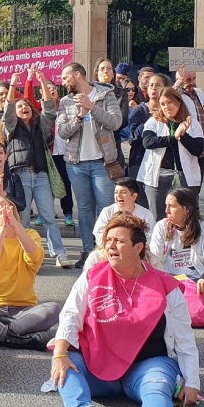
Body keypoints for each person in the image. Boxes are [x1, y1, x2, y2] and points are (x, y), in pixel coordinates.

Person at [49, 212, 201, 407]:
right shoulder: (92, 276)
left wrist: (192, 383)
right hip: (98, 368)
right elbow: (70, 315)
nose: (110, 246)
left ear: (138, 248)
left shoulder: (166, 285)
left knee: (156, 389)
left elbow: (184, 337)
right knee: (64, 359)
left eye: (119, 241)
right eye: (108, 240)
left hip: (148, 367)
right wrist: (59, 354)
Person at [0, 195, 60, 349]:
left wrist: (14, 225)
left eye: (4, 205)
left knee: (55, 309)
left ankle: (2, 333)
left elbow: (35, 258)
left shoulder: (30, 235)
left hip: (25, 309)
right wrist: (3, 229)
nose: (1, 209)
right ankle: (19, 336)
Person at [56, 62, 124, 265]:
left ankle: (105, 251)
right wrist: (79, 116)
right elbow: (61, 132)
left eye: (66, 77)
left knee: (105, 208)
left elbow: (115, 122)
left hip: (102, 163)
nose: (63, 82)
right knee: (84, 209)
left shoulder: (106, 95)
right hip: (76, 164)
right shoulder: (66, 102)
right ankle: (87, 251)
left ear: (78, 75)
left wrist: (93, 108)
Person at [1, 82, 72, 268]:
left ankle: (59, 254)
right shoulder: (10, 127)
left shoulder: (40, 126)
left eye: (26, 105)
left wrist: (42, 81)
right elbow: (7, 112)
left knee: (48, 217)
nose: (24, 107)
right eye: (19, 106)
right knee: (23, 219)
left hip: (41, 176)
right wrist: (13, 86)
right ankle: (25, 255)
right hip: (20, 176)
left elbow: (49, 111)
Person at [148, 188, 204, 316]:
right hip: (170, 279)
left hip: (196, 280)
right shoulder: (161, 226)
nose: (166, 211)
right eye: (166, 206)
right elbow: (154, 259)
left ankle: (183, 307)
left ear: (187, 209)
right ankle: (202, 307)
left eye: (172, 206)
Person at [139, 86, 204, 216]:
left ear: (178, 103)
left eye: (170, 102)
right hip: (158, 177)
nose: (166, 107)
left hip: (184, 177)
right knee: (158, 217)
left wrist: (183, 135)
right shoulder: (154, 122)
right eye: (162, 104)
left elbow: (198, 150)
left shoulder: (193, 123)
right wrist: (174, 137)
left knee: (185, 217)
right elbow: (148, 142)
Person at [126, 73, 170, 209]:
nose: (153, 88)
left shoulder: (170, 111)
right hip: (140, 162)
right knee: (142, 205)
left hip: (163, 164)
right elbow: (133, 136)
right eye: (151, 85)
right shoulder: (139, 110)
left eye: (158, 85)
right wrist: (149, 121)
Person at [92, 178, 157, 248]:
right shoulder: (107, 212)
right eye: (116, 192)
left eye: (123, 192)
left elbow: (150, 238)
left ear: (134, 196)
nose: (118, 196)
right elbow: (99, 234)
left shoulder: (146, 214)